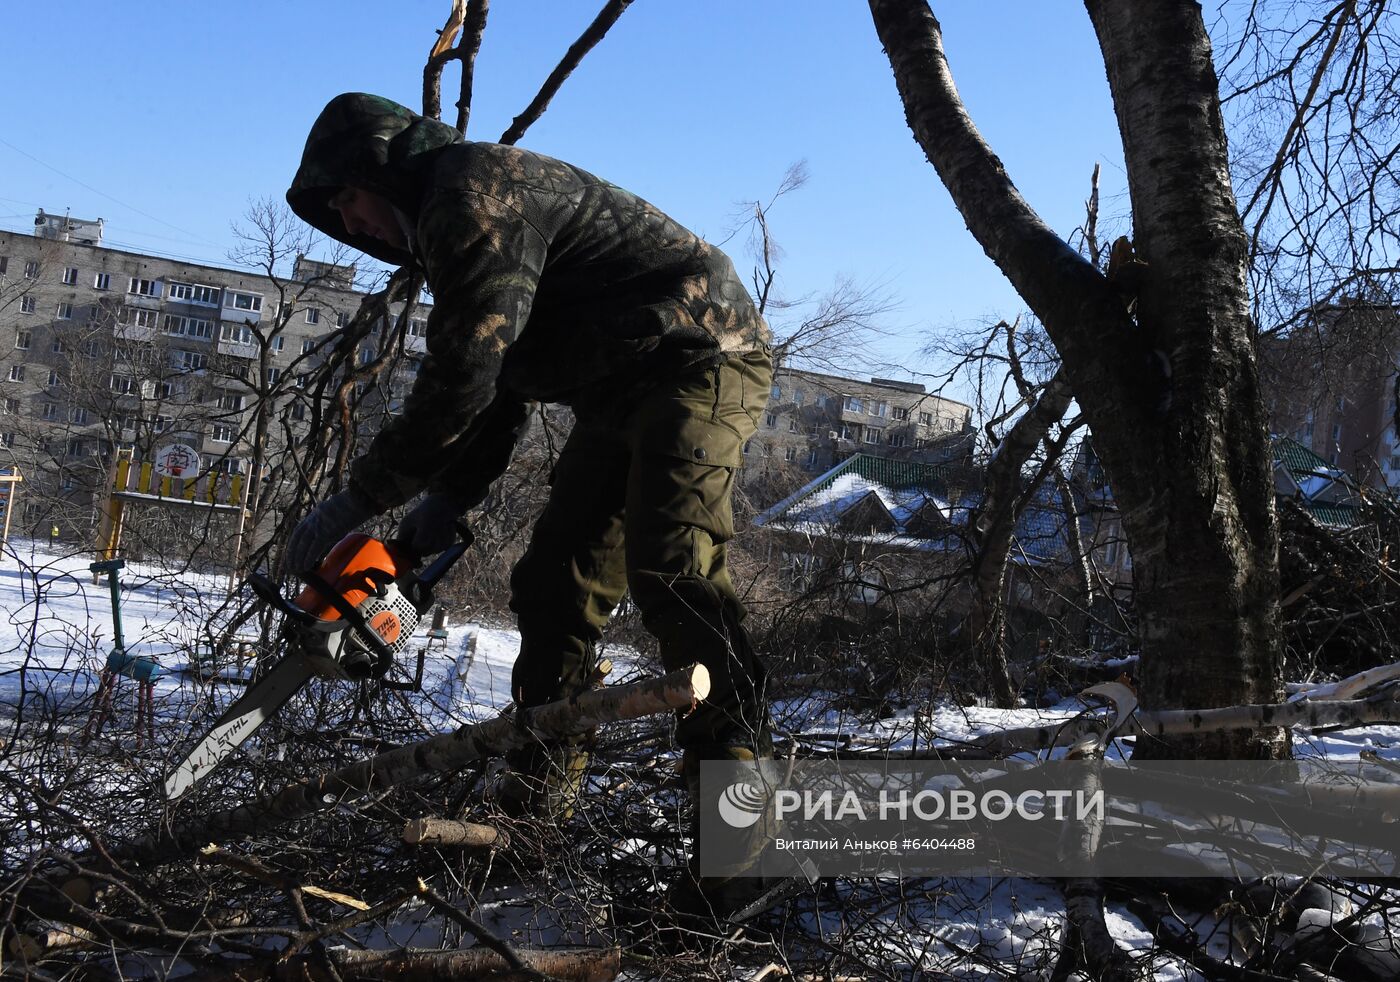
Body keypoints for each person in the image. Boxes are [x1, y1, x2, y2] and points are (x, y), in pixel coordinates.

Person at [284, 93, 773, 918]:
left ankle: (744, 854)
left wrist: (360, 498)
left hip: (699, 360)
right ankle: (539, 814)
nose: (352, 223)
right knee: (556, 583)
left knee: (674, 571)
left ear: (373, 166)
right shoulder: (458, 229)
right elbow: (498, 392)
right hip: (621, 388)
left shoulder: (470, 195)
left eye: (347, 200)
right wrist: (435, 509)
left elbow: (464, 379)